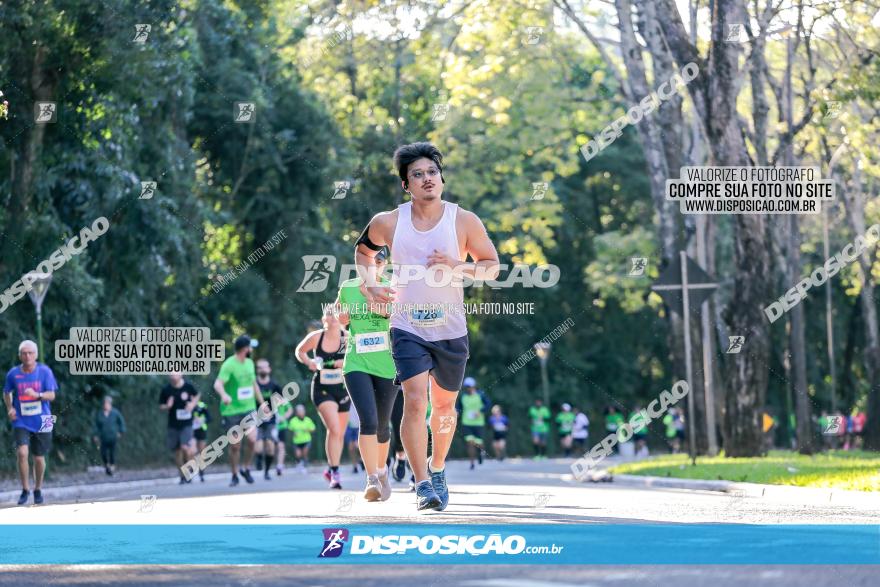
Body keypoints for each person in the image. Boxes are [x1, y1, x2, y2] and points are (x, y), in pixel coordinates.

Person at [355, 141, 500, 511]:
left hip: (450, 330)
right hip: (407, 326)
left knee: (445, 409)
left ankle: (437, 467)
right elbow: (363, 251)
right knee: (416, 401)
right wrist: (370, 283)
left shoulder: (464, 220)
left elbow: (491, 266)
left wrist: (457, 265)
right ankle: (422, 484)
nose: (427, 179)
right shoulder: (388, 221)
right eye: (417, 175)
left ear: (441, 178)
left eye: (432, 172)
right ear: (407, 185)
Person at [337, 246, 401, 501]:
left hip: (386, 365)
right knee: (368, 421)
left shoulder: (393, 287)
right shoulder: (348, 287)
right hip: (356, 363)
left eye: (380, 261)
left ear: (385, 264)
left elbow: (388, 313)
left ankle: (382, 470)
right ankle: (371, 478)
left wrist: (369, 294)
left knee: (383, 426)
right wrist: (338, 315)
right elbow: (341, 318)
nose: (375, 266)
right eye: (370, 261)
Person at [295, 310, 350, 489]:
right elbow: (300, 351)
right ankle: (335, 472)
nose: (333, 318)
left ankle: (330, 467)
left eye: (336, 315)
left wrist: (345, 363)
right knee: (334, 429)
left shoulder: (346, 338)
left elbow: (360, 357)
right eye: (329, 315)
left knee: (339, 433)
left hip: (343, 390)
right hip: (322, 389)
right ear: (323, 319)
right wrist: (309, 362)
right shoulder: (317, 338)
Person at [4, 340, 58, 505]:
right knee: (22, 453)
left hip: (44, 418)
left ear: (36, 355)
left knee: (39, 458)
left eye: (30, 353)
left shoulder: (45, 372)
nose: (27, 356)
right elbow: (7, 392)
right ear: (20, 355)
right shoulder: (13, 373)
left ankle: (38, 488)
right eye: (24, 353)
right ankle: (25, 489)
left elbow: (52, 395)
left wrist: (37, 395)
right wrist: (10, 407)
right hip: (21, 419)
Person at [213, 335, 263, 487]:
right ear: (245, 348)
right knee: (235, 446)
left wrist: (262, 403)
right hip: (231, 411)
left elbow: (254, 384)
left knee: (253, 439)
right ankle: (234, 474)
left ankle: (246, 468)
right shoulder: (229, 364)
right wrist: (224, 395)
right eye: (250, 347)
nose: (251, 350)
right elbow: (217, 384)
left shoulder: (249, 363)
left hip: (249, 408)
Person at [160, 372, 200, 485]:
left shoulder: (188, 386)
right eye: (171, 374)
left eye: (175, 374)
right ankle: (182, 475)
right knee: (177, 453)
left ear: (181, 374)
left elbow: (197, 395)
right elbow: (161, 405)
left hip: (187, 424)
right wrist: (167, 406)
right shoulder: (166, 389)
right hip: (173, 424)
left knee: (185, 448)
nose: (173, 376)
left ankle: (189, 471)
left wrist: (192, 404)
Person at [254, 358, 282, 480]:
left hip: (271, 419)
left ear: (269, 369)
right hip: (255, 419)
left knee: (270, 445)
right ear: (257, 370)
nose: (262, 369)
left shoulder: (274, 385)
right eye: (260, 367)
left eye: (264, 367)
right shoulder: (254, 384)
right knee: (258, 446)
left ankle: (267, 471)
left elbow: (281, 399)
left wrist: (273, 409)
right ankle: (258, 458)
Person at [456, 377, 490, 470]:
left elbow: (488, 404)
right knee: (470, 442)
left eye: (469, 386)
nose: (468, 388)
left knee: (479, 443)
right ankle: (472, 463)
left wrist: (480, 411)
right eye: (466, 387)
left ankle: (480, 453)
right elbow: (458, 407)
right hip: (466, 423)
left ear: (474, 386)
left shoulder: (481, 394)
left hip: (479, 423)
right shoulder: (463, 396)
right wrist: (457, 412)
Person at [92, 396, 126, 476]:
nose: (106, 405)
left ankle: (112, 466)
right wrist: (95, 435)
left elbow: (121, 423)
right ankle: (107, 465)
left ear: (110, 404)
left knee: (112, 452)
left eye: (107, 404)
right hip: (103, 437)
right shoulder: (100, 414)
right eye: (105, 404)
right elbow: (97, 425)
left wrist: (120, 432)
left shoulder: (115, 413)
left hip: (113, 436)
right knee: (103, 452)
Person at [289, 404, 316, 472]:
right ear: (296, 413)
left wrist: (307, 430)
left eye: (302, 410)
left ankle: (305, 463)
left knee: (304, 452)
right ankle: (299, 463)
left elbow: (313, 429)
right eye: (299, 411)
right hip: (297, 441)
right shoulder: (293, 421)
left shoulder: (308, 420)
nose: (301, 412)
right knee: (298, 454)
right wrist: (293, 433)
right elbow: (290, 430)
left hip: (306, 440)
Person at [191, 398, 211, 481]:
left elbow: (210, 418)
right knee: (192, 451)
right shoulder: (187, 406)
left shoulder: (202, 406)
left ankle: (201, 472)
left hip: (201, 431)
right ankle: (191, 471)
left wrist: (203, 420)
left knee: (201, 452)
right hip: (191, 432)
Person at [275, 395, 292, 475]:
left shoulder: (281, 398)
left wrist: (283, 417)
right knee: (271, 447)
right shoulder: (265, 398)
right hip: (270, 427)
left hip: (281, 426)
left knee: (281, 446)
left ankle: (280, 465)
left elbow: (290, 410)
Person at [345, 404, 362, 473]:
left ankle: (362, 460)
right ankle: (355, 466)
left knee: (357, 446)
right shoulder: (346, 399)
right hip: (348, 427)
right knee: (351, 448)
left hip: (359, 426)